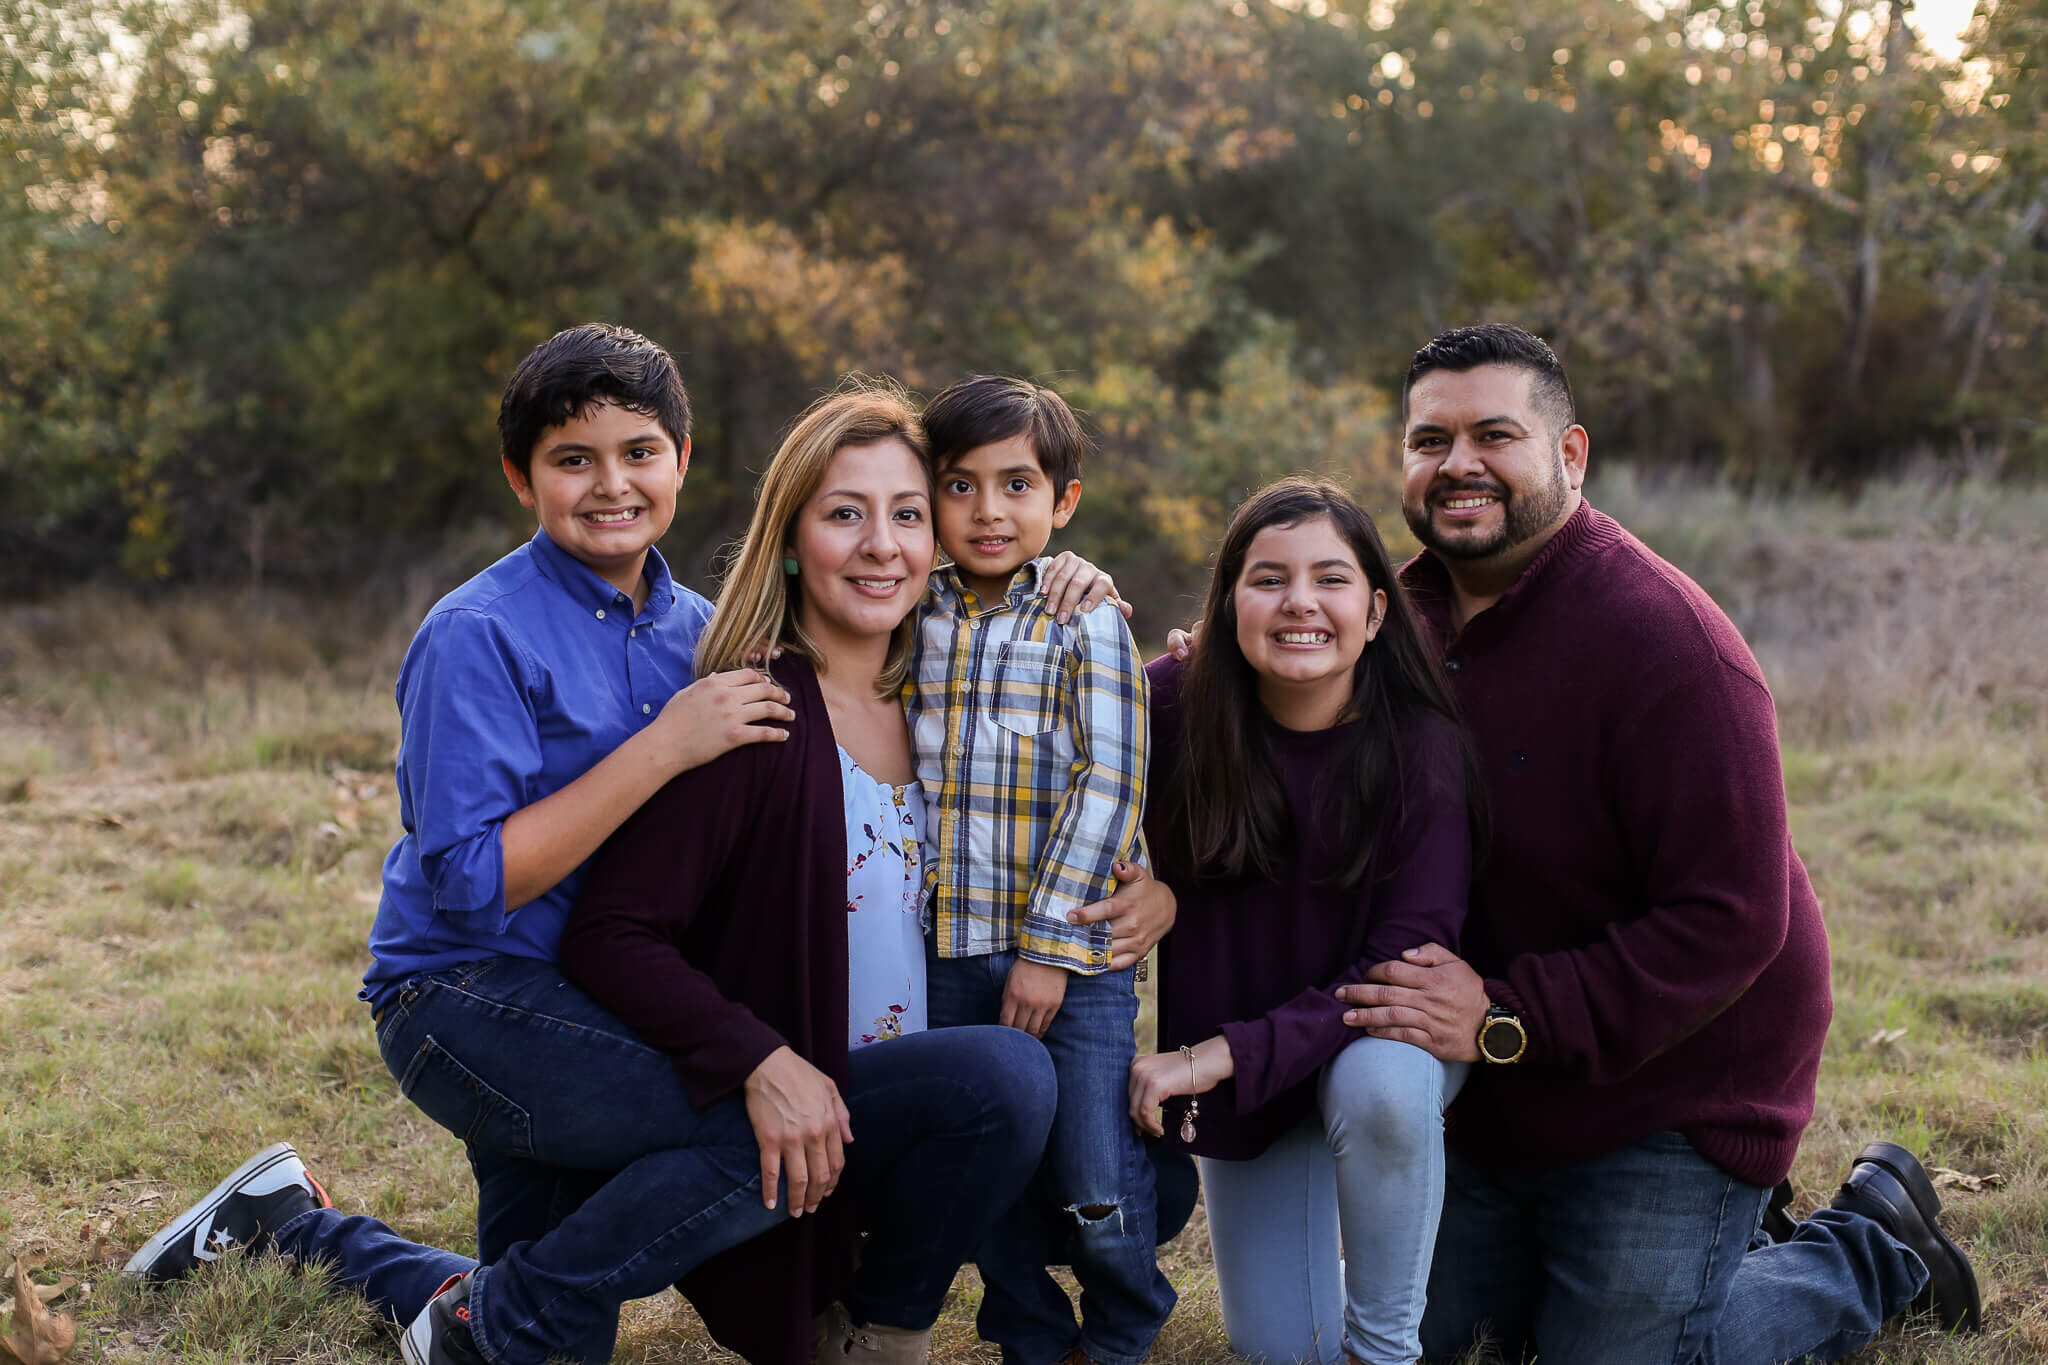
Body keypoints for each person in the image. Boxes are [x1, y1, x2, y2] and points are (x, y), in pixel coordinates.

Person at [123, 329, 1176, 1364]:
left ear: (682, 462)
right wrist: (669, 753)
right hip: (479, 992)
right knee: (736, 1127)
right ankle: (504, 1316)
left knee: (552, 1335)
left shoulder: (703, 636)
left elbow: (1071, 761)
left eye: (638, 454)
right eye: (572, 461)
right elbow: (469, 883)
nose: (610, 485)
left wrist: (1151, 879)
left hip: (616, 1004)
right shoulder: (490, 633)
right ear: (519, 476)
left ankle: (296, 1226)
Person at [1325, 324, 1979, 1364]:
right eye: (1428, 440)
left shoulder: (1667, 645)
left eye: (1494, 434)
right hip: (1498, 1085)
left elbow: (1729, 922)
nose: (1457, 464)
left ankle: (1867, 1245)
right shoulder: (1389, 622)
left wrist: (1500, 1011)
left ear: (1569, 455)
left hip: (1676, 1079)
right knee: (1409, 1334)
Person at [556, 380, 1066, 1364]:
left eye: (908, 515)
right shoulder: (757, 715)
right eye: (845, 514)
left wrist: (1154, 883)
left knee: (1143, 1169)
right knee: (1004, 1073)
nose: (883, 544)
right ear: (790, 541)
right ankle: (873, 1334)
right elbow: (609, 933)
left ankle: (880, 1314)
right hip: (787, 1132)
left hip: (908, 1128)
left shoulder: (947, 703)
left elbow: (1117, 750)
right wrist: (759, 1060)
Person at [1129, 476, 1475, 1365]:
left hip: (1371, 1045)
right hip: (1258, 1088)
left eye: (1330, 578)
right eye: (1268, 578)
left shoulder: (1421, 747)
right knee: (1286, 1348)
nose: (1299, 603)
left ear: (1374, 612)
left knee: (1383, 1085)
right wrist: (1075, 589)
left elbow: (1392, 975)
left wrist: (1208, 1057)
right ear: (1228, 603)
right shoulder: (1167, 706)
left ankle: (1385, 1349)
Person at [906, 376, 1174, 1365]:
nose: (986, 511)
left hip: (1080, 963)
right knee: (990, 1172)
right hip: (941, 953)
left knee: (1092, 1171)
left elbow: (1108, 785)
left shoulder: (1083, 620)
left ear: (1061, 502)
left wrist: (1051, 951)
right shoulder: (910, 617)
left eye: (1015, 485)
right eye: (959, 485)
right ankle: (1025, 1332)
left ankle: (1120, 1328)